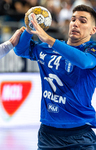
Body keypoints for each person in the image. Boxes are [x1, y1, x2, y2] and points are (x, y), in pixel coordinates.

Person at [14, 4, 96, 149]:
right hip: (48, 134)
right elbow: (20, 50)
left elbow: (84, 62)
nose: (75, 23)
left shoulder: (90, 51)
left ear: (93, 30)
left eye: (82, 21)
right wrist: (28, 29)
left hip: (80, 135)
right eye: (73, 19)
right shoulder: (47, 49)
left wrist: (49, 39)